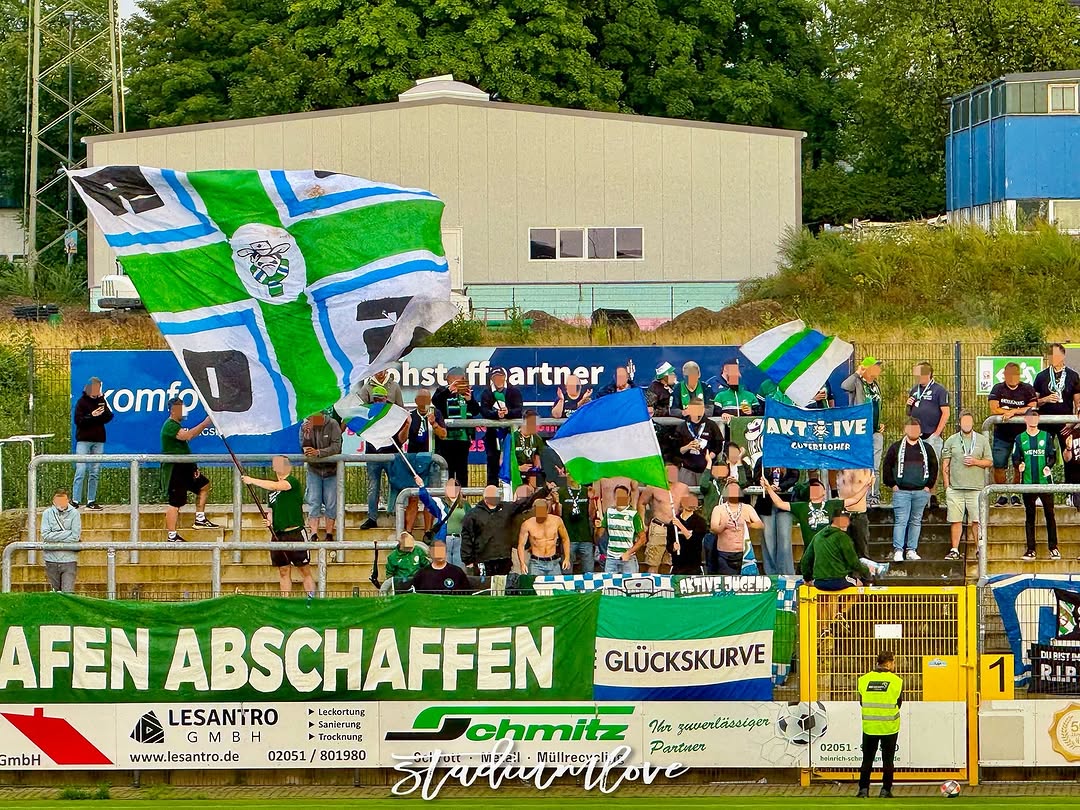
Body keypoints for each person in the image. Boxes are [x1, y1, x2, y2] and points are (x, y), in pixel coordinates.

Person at [242, 456, 315, 596]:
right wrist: (269, 521)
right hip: (278, 535)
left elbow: (276, 486)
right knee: (283, 570)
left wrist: (251, 480)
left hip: (294, 533)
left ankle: (311, 601)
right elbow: (271, 510)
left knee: (304, 570)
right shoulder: (272, 493)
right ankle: (285, 601)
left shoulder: (292, 481)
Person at [882, 418, 938, 562]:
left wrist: (928, 487)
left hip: (921, 492)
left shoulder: (927, 448)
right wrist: (893, 485)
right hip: (901, 492)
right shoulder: (896, 447)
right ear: (905, 429)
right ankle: (898, 550)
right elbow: (887, 467)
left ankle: (911, 550)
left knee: (915, 521)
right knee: (901, 521)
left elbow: (934, 467)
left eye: (916, 428)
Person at [160, 397, 216, 543]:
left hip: (186, 468)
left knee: (204, 485)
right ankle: (172, 535)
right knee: (175, 503)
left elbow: (184, 448)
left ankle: (200, 519)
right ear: (173, 411)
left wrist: (193, 466)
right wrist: (205, 423)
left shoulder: (176, 425)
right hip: (175, 470)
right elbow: (188, 436)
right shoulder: (170, 425)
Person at [764, 476, 866, 554]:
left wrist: (867, 485)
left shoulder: (831, 504)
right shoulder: (801, 507)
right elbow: (780, 504)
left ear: (824, 491)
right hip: (810, 552)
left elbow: (854, 500)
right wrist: (768, 488)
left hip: (828, 551)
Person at [461, 484, 546, 575]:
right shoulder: (473, 514)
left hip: (504, 558)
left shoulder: (507, 508)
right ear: (485, 497)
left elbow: (526, 502)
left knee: (503, 586)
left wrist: (545, 490)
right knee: (486, 586)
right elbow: (467, 537)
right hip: (483, 559)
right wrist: (467, 560)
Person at [941, 410, 993, 560]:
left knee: (976, 521)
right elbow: (945, 463)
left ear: (973, 423)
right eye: (964, 422)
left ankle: (979, 549)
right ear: (959, 423)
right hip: (955, 489)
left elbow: (989, 462)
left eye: (969, 422)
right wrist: (947, 486)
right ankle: (954, 549)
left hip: (976, 488)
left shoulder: (982, 440)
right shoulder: (951, 440)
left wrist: (976, 462)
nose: (966, 424)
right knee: (955, 520)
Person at [1034, 343, 1080, 505]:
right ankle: (1041, 492)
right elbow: (1034, 403)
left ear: (1063, 356)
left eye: (1056, 355)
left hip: (1065, 424)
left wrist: (1072, 422)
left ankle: (1071, 494)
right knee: (1044, 456)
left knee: (1070, 456)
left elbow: (1078, 403)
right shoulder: (1041, 376)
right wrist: (1045, 399)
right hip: (1045, 422)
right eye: (1050, 355)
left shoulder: (1073, 376)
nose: (1053, 358)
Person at [360, 384, 409, 530]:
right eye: (375, 400)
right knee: (373, 487)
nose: (377, 402)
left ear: (386, 399)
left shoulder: (394, 413)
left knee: (396, 485)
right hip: (373, 455)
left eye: (380, 399)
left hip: (392, 454)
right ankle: (372, 518)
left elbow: (401, 439)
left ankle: (396, 516)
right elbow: (361, 430)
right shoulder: (366, 412)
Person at [989, 362, 1038, 507]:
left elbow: (1032, 407)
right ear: (1004, 375)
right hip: (1002, 435)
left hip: (1021, 435)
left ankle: (1016, 493)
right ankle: (1002, 494)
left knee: (1019, 464)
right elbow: (994, 409)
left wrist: (1012, 411)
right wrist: (1014, 410)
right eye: (1009, 374)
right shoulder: (998, 388)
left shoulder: (1027, 389)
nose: (1012, 378)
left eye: (1015, 374)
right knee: (999, 464)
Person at [856, 650, 903, 799]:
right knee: (888, 760)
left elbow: (862, 702)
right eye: (893, 662)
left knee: (867, 760)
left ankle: (863, 790)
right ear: (889, 663)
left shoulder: (863, 679)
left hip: (870, 727)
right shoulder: (897, 681)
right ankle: (885, 790)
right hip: (890, 727)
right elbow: (898, 703)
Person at [1014, 408, 1059, 560]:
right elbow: (1015, 457)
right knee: (1030, 515)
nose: (1033, 420)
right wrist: (1019, 465)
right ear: (1025, 419)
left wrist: (1049, 466)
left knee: (1050, 514)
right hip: (1028, 483)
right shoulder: (1020, 438)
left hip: (1044, 482)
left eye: (1035, 417)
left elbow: (1053, 456)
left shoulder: (1046, 436)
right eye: (1030, 417)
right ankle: (1030, 549)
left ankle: (1053, 547)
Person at [906, 362, 950, 508]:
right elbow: (909, 414)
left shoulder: (939, 390)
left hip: (932, 435)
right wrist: (908, 405)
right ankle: (920, 495)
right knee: (918, 466)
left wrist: (937, 433)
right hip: (916, 436)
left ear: (930, 374)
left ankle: (932, 495)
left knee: (933, 465)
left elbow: (946, 413)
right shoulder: (914, 390)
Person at [403, 389, 447, 533]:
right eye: (420, 399)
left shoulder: (436, 413)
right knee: (413, 497)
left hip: (433, 461)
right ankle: (407, 531)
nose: (423, 402)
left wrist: (434, 424)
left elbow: (443, 435)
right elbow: (402, 439)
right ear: (416, 402)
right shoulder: (410, 416)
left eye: (426, 399)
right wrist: (406, 425)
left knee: (430, 497)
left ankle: (428, 532)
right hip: (415, 462)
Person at [842, 358, 885, 506]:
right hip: (860, 431)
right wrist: (857, 373)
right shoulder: (858, 383)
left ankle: (873, 497)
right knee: (860, 465)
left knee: (875, 467)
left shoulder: (876, 385)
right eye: (875, 367)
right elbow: (844, 386)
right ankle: (858, 497)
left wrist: (880, 422)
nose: (878, 370)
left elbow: (877, 405)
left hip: (875, 432)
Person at [799, 510, 872, 591]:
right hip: (839, 581)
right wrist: (867, 570)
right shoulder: (843, 537)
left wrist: (807, 579)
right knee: (859, 584)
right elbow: (853, 563)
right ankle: (846, 604)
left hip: (819, 582)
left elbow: (805, 560)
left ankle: (831, 604)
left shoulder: (818, 536)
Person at [432, 367, 480, 487]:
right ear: (448, 380)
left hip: (463, 439)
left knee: (462, 472)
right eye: (454, 380)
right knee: (447, 471)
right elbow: (436, 402)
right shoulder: (442, 391)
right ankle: (446, 500)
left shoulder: (467, 393)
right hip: (446, 440)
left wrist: (470, 400)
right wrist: (449, 390)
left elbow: (475, 411)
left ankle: (461, 501)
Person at [638, 466, 690, 573]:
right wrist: (642, 523)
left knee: (669, 563)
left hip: (674, 528)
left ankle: (666, 588)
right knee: (653, 563)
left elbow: (686, 508)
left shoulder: (683, 488)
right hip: (658, 527)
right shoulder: (653, 486)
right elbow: (642, 503)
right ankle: (653, 587)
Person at [300, 410, 341, 542]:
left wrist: (319, 452)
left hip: (331, 470)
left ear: (321, 415)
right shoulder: (305, 426)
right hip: (314, 470)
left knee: (331, 503)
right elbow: (304, 448)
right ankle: (313, 533)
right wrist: (306, 435)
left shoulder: (333, 424)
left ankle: (329, 533)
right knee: (314, 501)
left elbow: (336, 447)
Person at [71, 377, 112, 510]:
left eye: (99, 388)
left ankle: (91, 500)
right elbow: (79, 421)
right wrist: (91, 416)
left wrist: (101, 401)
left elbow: (109, 416)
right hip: (84, 440)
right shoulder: (81, 402)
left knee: (94, 471)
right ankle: (75, 500)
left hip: (98, 440)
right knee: (81, 469)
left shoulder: (100, 401)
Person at [753, 461, 799, 575]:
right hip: (765, 504)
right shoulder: (763, 459)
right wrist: (767, 485)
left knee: (784, 539)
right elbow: (756, 477)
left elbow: (795, 476)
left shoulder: (787, 458)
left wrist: (780, 487)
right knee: (768, 540)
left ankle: (786, 573)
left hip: (784, 502)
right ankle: (771, 574)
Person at [413, 474, 469, 567]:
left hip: (460, 541)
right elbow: (427, 501)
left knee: (460, 569)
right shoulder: (440, 503)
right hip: (444, 540)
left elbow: (470, 522)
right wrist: (422, 486)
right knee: (444, 567)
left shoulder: (465, 505)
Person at [708, 479, 763, 574]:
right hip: (724, 553)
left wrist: (748, 524)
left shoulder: (747, 508)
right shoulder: (719, 509)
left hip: (743, 552)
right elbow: (713, 528)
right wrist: (723, 525)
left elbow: (760, 524)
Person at [480, 367, 523, 485]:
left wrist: (508, 412)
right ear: (492, 379)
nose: (498, 380)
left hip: (511, 434)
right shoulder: (487, 393)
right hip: (492, 435)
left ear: (505, 377)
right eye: (495, 377)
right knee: (493, 466)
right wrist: (496, 414)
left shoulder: (514, 391)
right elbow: (484, 411)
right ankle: (492, 495)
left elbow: (519, 410)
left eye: (500, 377)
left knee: (511, 463)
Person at [674, 396, 724, 486]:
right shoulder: (682, 427)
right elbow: (676, 450)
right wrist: (688, 447)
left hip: (706, 468)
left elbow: (718, 445)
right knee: (687, 497)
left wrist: (709, 457)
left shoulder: (711, 425)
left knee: (706, 496)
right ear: (689, 410)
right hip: (687, 469)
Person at [596, 484, 646, 573]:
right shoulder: (609, 512)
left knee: (630, 585)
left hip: (628, 559)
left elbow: (642, 539)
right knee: (610, 585)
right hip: (611, 559)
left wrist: (628, 553)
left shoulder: (633, 514)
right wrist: (598, 526)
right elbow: (599, 535)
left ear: (628, 497)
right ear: (614, 497)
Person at [41, 488, 81, 593]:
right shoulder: (47, 513)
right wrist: (67, 532)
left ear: (68, 500)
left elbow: (75, 536)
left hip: (69, 559)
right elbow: (46, 535)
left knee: (68, 593)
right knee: (54, 593)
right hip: (51, 559)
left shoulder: (75, 513)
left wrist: (54, 535)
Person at [517, 499, 571, 575]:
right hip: (536, 563)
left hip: (554, 562)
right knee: (535, 586)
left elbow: (565, 539)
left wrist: (567, 558)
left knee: (557, 585)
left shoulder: (557, 521)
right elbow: (521, 545)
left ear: (547, 510)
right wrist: (522, 563)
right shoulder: (527, 524)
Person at [559, 474, 596, 573]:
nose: (571, 475)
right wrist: (556, 502)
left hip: (585, 536)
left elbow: (591, 515)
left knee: (589, 572)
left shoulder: (586, 491)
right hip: (568, 537)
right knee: (567, 571)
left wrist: (591, 499)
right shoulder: (561, 492)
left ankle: (588, 588)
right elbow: (558, 515)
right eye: (568, 472)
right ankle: (567, 589)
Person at [668, 493, 707, 575]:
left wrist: (680, 526)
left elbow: (695, 542)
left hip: (694, 566)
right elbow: (669, 544)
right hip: (677, 566)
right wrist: (673, 548)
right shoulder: (673, 523)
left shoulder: (700, 522)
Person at [514, 410, 547, 487]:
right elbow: (503, 461)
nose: (538, 427)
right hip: (515, 474)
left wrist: (537, 466)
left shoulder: (537, 439)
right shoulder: (513, 438)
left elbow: (538, 457)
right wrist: (518, 468)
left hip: (531, 475)